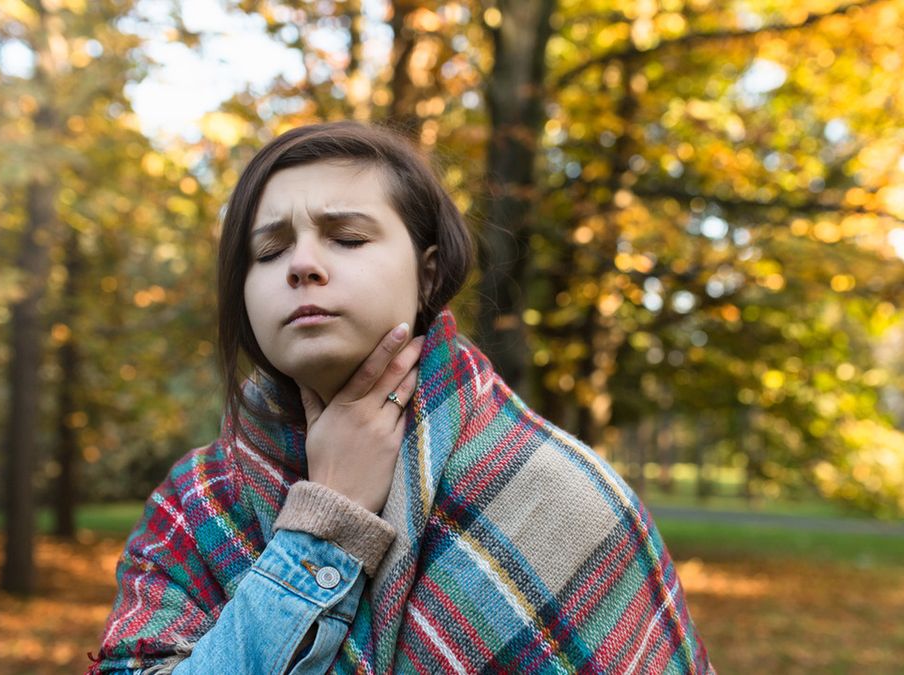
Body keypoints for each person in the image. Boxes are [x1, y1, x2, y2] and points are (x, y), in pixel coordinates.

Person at [89, 121, 714, 674]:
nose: (301, 265)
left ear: (430, 273)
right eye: (270, 250)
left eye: (347, 238)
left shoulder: (562, 498)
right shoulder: (194, 503)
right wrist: (322, 526)